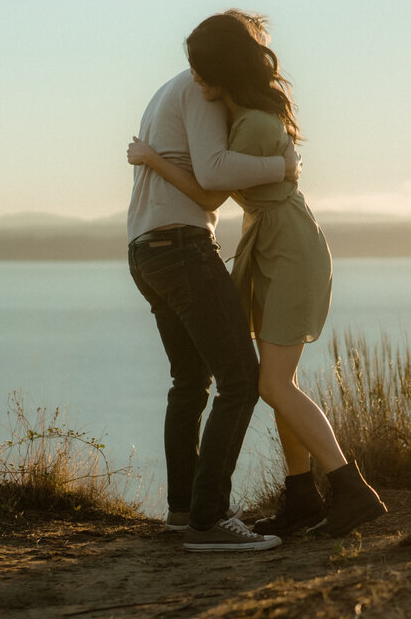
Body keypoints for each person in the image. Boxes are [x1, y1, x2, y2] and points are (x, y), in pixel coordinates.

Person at [127, 10, 387, 538]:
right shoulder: (215, 98)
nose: (197, 77)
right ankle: (298, 499)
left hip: (277, 246)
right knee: (263, 381)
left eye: (203, 68)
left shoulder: (228, 109)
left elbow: (213, 180)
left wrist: (154, 158)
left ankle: (346, 491)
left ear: (220, 68)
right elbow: (217, 177)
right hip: (255, 245)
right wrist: (282, 166)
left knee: (261, 382)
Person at [127, 37, 302, 552]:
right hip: (181, 246)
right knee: (241, 379)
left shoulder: (167, 90)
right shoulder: (200, 93)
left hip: (145, 248)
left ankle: (183, 513)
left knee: (189, 383)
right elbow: (210, 180)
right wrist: (281, 168)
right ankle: (209, 519)